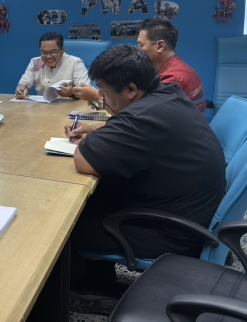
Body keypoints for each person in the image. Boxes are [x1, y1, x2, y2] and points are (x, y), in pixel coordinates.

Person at [65, 45, 225, 315]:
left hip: (170, 233)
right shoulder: (167, 95)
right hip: (185, 212)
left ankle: (75, 291)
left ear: (130, 90)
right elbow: (130, 127)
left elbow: (84, 160)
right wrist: (99, 131)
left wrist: (91, 139)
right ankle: (97, 283)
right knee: (94, 200)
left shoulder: (143, 117)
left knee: (65, 224)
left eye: (103, 91)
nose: (101, 98)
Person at [73, 19, 205, 113]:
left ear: (160, 46)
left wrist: (97, 97)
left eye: (141, 45)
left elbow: (140, 120)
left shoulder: (173, 79)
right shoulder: (169, 70)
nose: (137, 50)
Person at [15, 32, 89, 99]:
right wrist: (21, 90)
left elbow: (85, 91)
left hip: (70, 106)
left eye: (52, 52)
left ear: (62, 50)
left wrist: (71, 92)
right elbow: (24, 83)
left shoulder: (76, 63)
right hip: (43, 107)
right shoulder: (35, 62)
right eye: (44, 53)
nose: (48, 57)